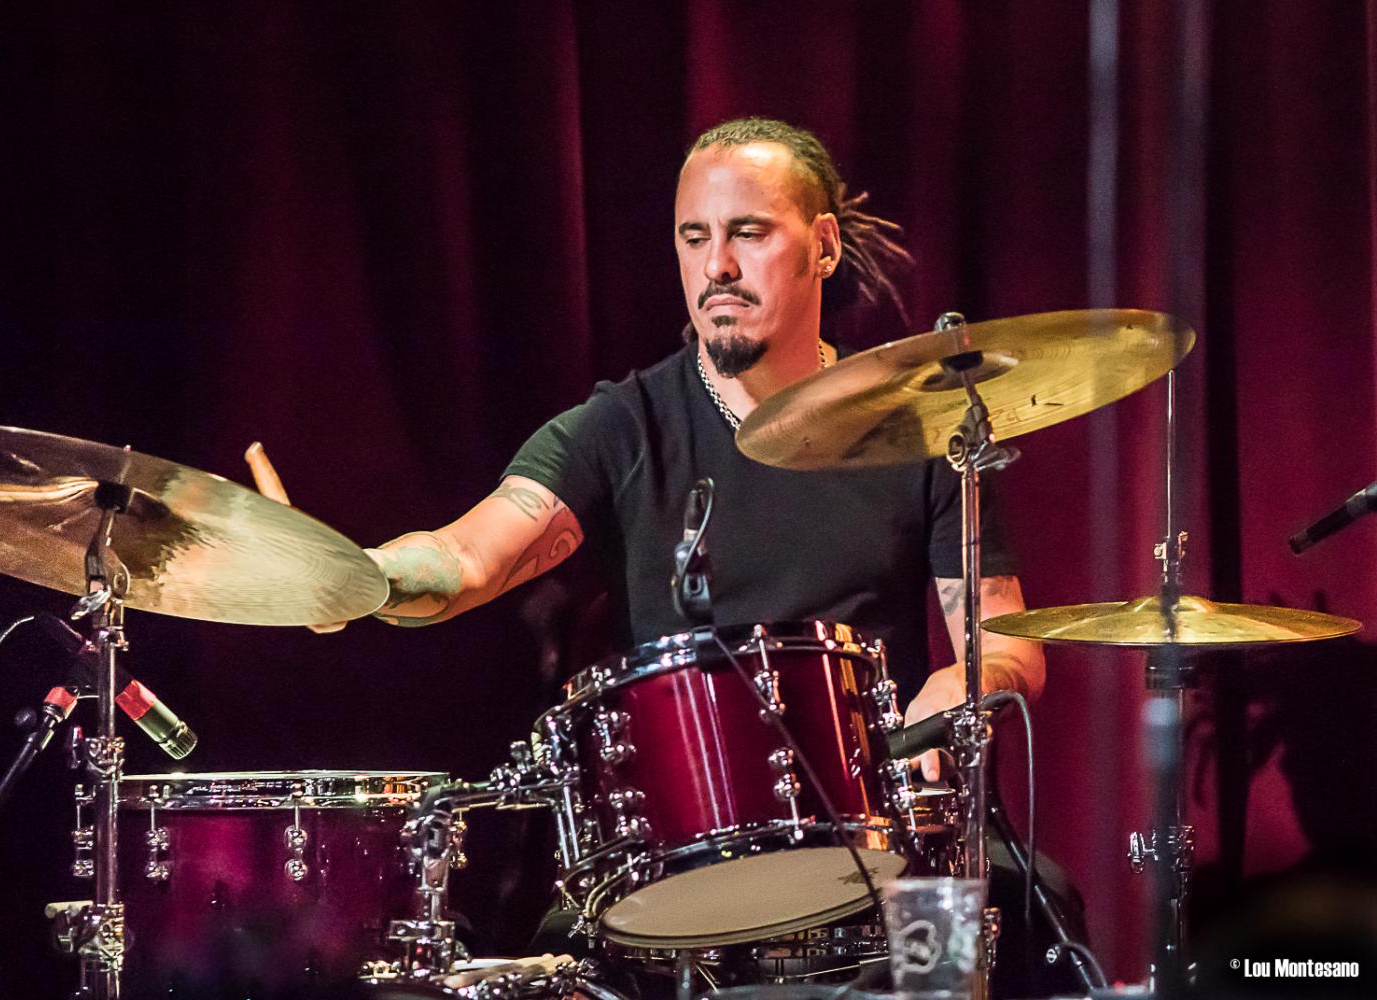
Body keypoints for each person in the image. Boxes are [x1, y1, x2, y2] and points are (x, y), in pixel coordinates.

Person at [307, 118, 1044, 781]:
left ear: (823, 246)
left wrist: (965, 684)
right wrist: (355, 574)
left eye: (749, 233)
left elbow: (1007, 644)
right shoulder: (624, 425)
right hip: (686, 845)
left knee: (1039, 907)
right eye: (694, 238)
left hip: (881, 824)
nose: (717, 265)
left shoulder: (922, 426)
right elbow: (470, 560)